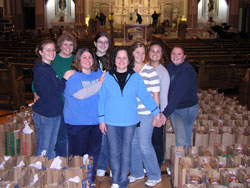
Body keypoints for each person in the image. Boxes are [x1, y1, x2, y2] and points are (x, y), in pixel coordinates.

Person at [98, 46, 162, 188]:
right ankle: (115, 179)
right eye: (118, 58)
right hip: (111, 121)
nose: (121, 61)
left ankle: (122, 179)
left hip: (130, 121)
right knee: (114, 152)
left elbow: (145, 97)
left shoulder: (135, 77)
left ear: (129, 60)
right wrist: (101, 120)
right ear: (114, 60)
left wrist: (157, 112)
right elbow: (101, 99)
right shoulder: (106, 76)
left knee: (127, 151)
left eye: (124, 58)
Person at [63, 48, 105, 185]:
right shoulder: (73, 76)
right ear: (78, 61)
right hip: (78, 123)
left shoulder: (99, 74)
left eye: (90, 57)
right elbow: (80, 94)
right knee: (78, 156)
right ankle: (77, 181)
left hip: (96, 121)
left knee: (93, 154)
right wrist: (99, 84)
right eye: (84, 57)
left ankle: (89, 180)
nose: (88, 60)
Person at [33, 32, 77, 157]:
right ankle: (43, 170)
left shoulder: (49, 67)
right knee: (46, 145)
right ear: (40, 52)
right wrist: (65, 78)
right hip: (48, 111)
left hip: (59, 109)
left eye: (71, 45)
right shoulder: (45, 67)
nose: (52, 52)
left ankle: (53, 168)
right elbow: (50, 91)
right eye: (48, 50)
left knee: (51, 144)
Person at [129, 41, 162, 187]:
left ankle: (155, 174)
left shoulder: (150, 71)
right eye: (137, 52)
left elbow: (156, 95)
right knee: (133, 144)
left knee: (145, 145)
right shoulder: (127, 69)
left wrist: (157, 114)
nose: (140, 55)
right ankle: (137, 172)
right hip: (130, 114)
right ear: (132, 53)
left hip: (146, 113)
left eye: (143, 53)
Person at [160, 46, 199, 151]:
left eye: (179, 54)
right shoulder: (170, 66)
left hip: (184, 108)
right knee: (185, 135)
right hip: (179, 106)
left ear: (184, 56)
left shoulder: (186, 70)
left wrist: (166, 112)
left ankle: (181, 163)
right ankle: (186, 161)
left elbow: (177, 93)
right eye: (173, 53)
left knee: (181, 138)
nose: (175, 56)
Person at [94, 31, 113, 177]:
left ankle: (113, 165)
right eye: (100, 42)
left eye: (105, 42)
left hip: (110, 101)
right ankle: (101, 163)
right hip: (94, 100)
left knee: (111, 135)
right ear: (95, 43)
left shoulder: (113, 59)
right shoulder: (88, 58)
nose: (103, 45)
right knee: (100, 135)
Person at [148, 41, 170, 168]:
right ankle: (148, 163)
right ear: (148, 52)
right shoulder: (144, 67)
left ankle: (157, 163)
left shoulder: (163, 72)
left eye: (158, 51)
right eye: (152, 51)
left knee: (156, 139)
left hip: (158, 111)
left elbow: (164, 95)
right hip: (145, 111)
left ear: (161, 54)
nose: (155, 54)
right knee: (147, 139)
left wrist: (163, 114)